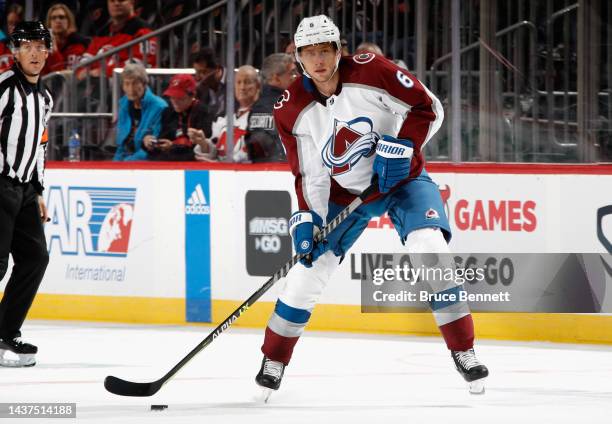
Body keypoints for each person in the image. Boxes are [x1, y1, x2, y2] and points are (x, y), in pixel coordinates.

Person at [255, 15, 489, 397]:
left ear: (339, 49)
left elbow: (428, 107)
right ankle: (274, 358)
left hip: (402, 181)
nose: (319, 60)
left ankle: (465, 350)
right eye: (310, 53)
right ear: (297, 57)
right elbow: (310, 172)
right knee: (306, 274)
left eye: (325, 50)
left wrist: (405, 146)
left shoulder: (374, 70)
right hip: (344, 195)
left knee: (430, 248)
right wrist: (308, 221)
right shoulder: (290, 108)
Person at [0, 21, 54, 367]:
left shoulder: (44, 98)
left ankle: (5, 333)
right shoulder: (4, 88)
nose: (35, 53)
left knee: (35, 257)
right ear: (14, 52)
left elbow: (38, 147)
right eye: (27, 46)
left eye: (40, 46)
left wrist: (37, 190)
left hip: (22, 190)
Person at [192, 65, 260, 162]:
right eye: (238, 82)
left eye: (247, 82)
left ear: (258, 86)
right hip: (224, 173)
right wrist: (203, 143)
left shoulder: (262, 116)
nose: (242, 87)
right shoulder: (226, 118)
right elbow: (216, 150)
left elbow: (254, 151)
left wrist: (222, 165)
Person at [77, 0, 156, 80]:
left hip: (127, 84)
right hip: (98, 84)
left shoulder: (142, 29)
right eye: (112, 1)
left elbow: (139, 63)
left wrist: (104, 72)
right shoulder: (102, 31)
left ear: (132, 2)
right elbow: (87, 57)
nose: (116, 3)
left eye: (121, 0)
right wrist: (82, 70)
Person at [143, 74, 212, 161]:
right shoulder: (168, 112)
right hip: (166, 163)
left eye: (180, 98)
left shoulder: (203, 113)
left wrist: (173, 147)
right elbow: (162, 140)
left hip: (192, 165)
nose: (175, 102)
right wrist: (149, 142)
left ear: (192, 96)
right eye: (172, 97)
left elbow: (200, 152)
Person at [246, 53, 296, 162]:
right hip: (283, 171)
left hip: (257, 172)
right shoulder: (286, 107)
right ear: (276, 78)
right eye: (292, 73)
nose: (296, 76)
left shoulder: (255, 108)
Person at [113, 63, 167, 161]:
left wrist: (126, 163)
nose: (131, 89)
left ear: (144, 84)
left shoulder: (159, 107)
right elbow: (121, 144)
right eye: (127, 83)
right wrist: (115, 164)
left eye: (135, 83)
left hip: (147, 161)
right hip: (124, 160)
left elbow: (154, 146)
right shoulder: (124, 103)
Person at [43, 3, 90, 74]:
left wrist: (55, 52)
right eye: (53, 18)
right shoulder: (45, 49)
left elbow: (64, 76)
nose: (58, 21)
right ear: (49, 23)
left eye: (61, 17)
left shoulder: (80, 44)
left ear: (69, 21)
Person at [191, 47, 226, 119]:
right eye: (196, 72)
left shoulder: (238, 83)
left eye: (203, 72)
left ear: (217, 69)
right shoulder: (200, 89)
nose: (197, 77)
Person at [0, 4, 24, 74]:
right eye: (10, 23)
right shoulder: (1, 46)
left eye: (16, 24)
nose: (13, 27)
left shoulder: (31, 47)